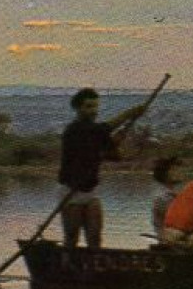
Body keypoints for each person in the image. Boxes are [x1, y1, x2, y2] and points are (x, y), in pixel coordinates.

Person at [58, 88, 149, 248]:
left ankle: (92, 270)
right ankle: (68, 267)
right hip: (71, 191)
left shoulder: (96, 132)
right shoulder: (74, 130)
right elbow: (103, 129)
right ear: (78, 108)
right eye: (88, 107)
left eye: (95, 106)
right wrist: (130, 113)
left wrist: (118, 142)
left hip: (90, 190)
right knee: (71, 238)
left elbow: (111, 155)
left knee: (95, 237)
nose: (93, 111)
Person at [150, 156, 184, 240]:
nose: (180, 172)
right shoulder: (162, 197)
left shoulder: (174, 193)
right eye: (175, 170)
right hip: (171, 239)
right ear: (166, 174)